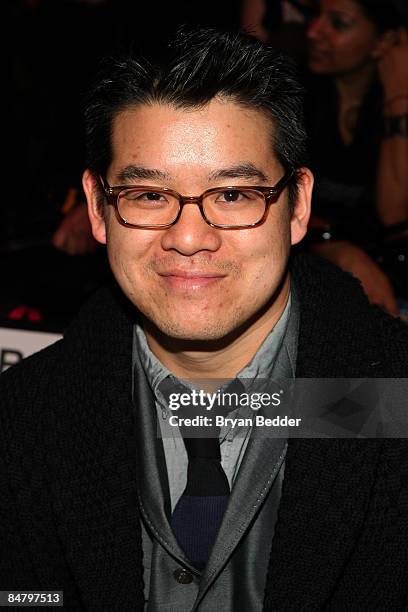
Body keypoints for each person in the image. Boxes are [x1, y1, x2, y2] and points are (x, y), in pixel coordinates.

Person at [1, 28, 408, 611]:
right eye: (147, 196)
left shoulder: (392, 397)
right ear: (97, 208)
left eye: (235, 195)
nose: (189, 238)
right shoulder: (23, 422)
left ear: (298, 207)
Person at [304, 0, 408, 314]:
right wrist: (335, 250)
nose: (313, 32)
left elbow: (395, 216)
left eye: (339, 23)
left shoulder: (391, 105)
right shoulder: (296, 94)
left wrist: (399, 96)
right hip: (309, 263)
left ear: (385, 41)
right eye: (315, 15)